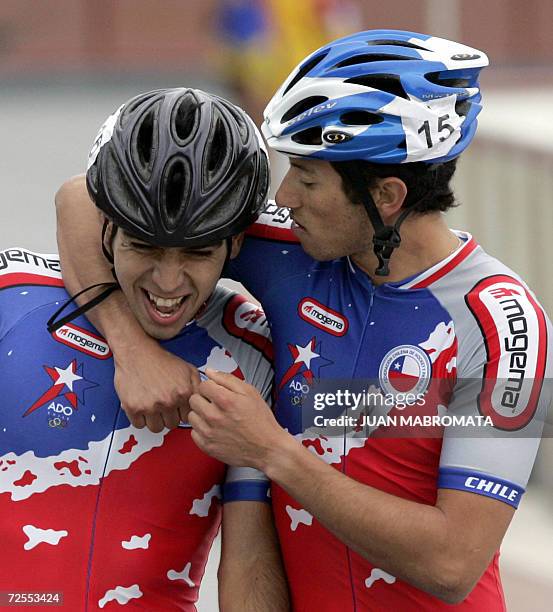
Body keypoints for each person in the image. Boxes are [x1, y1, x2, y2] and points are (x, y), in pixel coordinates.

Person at [54, 31, 551, 611]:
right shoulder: (297, 251)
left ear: (387, 196)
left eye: (308, 178)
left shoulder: (501, 322)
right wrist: (132, 350)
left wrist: (273, 452)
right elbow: (82, 199)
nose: (284, 194)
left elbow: (453, 563)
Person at [0, 88, 288, 611]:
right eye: (143, 247)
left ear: (236, 245)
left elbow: (246, 564)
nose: (169, 282)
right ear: (105, 226)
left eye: (198, 253)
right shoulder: (9, 297)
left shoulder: (253, 354)